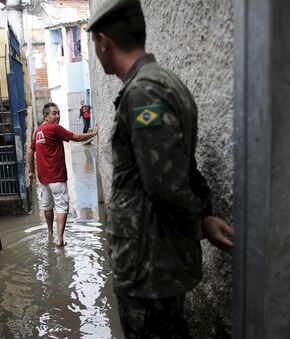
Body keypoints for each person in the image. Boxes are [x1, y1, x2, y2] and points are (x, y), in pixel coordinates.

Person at [86, 0, 235, 338]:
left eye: (95, 42)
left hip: (148, 267)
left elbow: (164, 183)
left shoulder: (144, 93)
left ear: (104, 41)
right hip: (158, 262)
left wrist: (198, 220)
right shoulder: (164, 83)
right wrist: (202, 216)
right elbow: (180, 166)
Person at [27, 102, 98, 246]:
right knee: (61, 207)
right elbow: (77, 137)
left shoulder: (38, 131)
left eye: (58, 113)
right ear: (46, 116)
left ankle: (50, 233)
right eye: (54, 113)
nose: (58, 116)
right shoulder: (55, 128)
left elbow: (30, 150)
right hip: (57, 177)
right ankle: (59, 239)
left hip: (43, 178)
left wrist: (31, 171)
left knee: (47, 206)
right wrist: (94, 133)